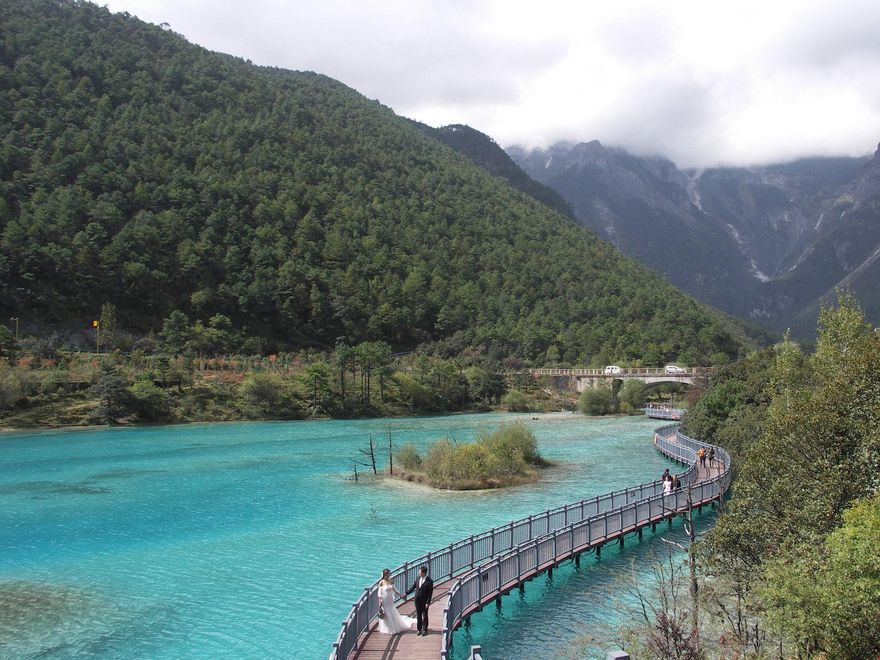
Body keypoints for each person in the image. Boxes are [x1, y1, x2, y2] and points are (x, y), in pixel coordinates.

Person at [377, 569, 415, 635]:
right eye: (388, 574)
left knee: (392, 611)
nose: (389, 575)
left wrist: (400, 595)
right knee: (386, 613)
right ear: (385, 574)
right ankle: (389, 628)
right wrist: (380, 602)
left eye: (389, 573)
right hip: (384, 600)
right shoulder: (381, 582)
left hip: (390, 599)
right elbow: (380, 594)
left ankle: (394, 626)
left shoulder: (391, 580)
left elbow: (394, 589)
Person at [406, 565, 434, 636]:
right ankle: (419, 629)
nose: (418, 573)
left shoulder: (429, 581)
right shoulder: (418, 578)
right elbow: (413, 587)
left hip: (424, 601)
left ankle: (425, 630)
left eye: (420, 572)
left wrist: (428, 602)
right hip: (417, 600)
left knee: (425, 615)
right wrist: (406, 593)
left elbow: (430, 593)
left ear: (423, 572)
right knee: (418, 615)